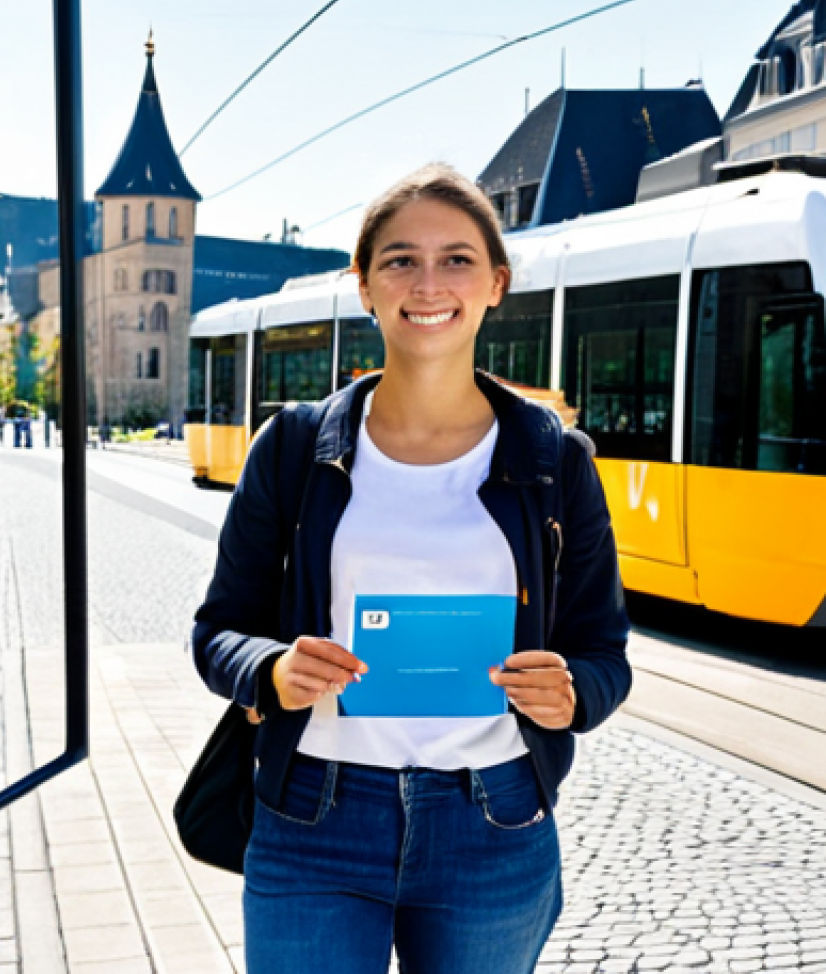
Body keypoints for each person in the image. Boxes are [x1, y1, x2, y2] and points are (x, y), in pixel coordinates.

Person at [192, 164, 632, 974]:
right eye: (399, 259)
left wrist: (574, 694)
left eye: (457, 258)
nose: (428, 282)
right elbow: (217, 630)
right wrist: (272, 671)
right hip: (314, 819)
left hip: (491, 824)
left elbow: (604, 652)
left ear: (497, 283)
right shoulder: (293, 447)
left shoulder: (554, 462)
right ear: (362, 284)